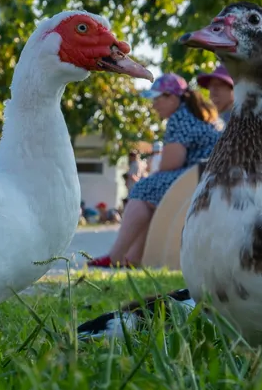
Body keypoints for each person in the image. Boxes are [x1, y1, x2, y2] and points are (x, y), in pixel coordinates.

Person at [87, 73, 223, 268]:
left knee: (144, 189)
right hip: (210, 177)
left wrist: (153, 174)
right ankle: (133, 258)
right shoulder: (198, 116)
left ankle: (116, 255)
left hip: (200, 179)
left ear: (172, 97)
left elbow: (171, 163)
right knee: (153, 194)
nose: (154, 105)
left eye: (158, 99)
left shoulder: (180, 118)